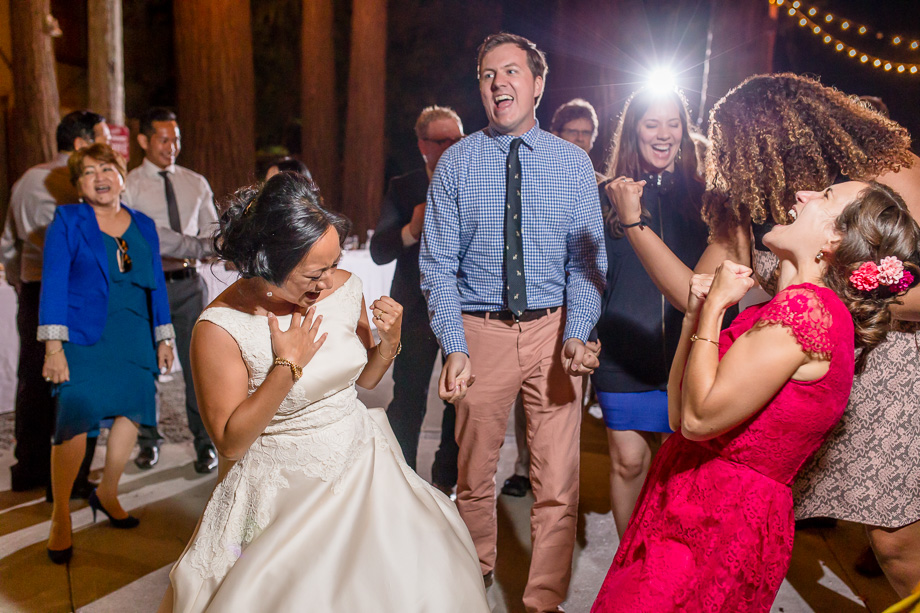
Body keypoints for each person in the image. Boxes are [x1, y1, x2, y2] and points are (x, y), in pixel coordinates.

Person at [159, 172, 489, 612]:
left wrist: (388, 345)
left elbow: (363, 380)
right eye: (315, 272)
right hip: (282, 487)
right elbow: (231, 441)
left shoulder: (343, 287)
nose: (329, 280)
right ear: (270, 261)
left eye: (333, 264)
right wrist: (285, 367)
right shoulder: (220, 327)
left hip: (363, 461)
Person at [592, 180, 920, 612]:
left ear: (834, 239)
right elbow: (678, 412)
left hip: (720, 517)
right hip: (687, 496)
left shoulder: (808, 312)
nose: (802, 195)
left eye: (824, 197)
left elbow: (697, 419)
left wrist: (713, 311)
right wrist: (696, 312)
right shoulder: (780, 311)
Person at [702, 73, 920, 598]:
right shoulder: (795, 199)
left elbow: (917, 286)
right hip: (822, 366)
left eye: (749, 150)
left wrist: (833, 286)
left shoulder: (887, 168)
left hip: (895, 371)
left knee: (894, 543)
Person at [420, 32, 606, 613]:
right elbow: (436, 267)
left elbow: (588, 262)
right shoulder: (456, 162)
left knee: (557, 483)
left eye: (511, 71)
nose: (498, 81)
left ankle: (543, 601)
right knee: (474, 475)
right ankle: (472, 581)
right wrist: (454, 345)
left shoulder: (573, 163)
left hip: (556, 332)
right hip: (480, 333)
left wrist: (578, 331)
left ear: (537, 83)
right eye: (486, 74)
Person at [39, 143, 175, 564]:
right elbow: (53, 284)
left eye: (108, 168)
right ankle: (61, 515)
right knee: (74, 420)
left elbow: (157, 283)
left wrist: (163, 336)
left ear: (122, 174)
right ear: (79, 184)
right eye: (89, 171)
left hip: (133, 331)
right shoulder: (67, 220)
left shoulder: (144, 224)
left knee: (132, 412)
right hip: (81, 337)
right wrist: (53, 348)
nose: (101, 177)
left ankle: (108, 492)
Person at [591, 87, 712, 538]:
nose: (663, 135)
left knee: (679, 474)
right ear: (633, 132)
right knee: (628, 462)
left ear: (685, 131)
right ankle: (631, 568)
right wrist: (584, 332)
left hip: (690, 359)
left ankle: (667, 569)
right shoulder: (602, 196)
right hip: (622, 356)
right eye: (651, 124)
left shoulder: (704, 197)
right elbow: (586, 273)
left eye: (673, 123)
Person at [0, 110, 111, 497]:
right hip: (75, 295)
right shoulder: (90, 182)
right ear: (82, 144)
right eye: (102, 139)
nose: (108, 149)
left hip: (32, 291)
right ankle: (72, 476)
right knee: (79, 380)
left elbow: (9, 244)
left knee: (33, 378)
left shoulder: (25, 180)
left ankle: (29, 467)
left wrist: (20, 283)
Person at [503, 96, 606, 499]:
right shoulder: (538, 175)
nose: (579, 139)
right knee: (528, 391)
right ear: (556, 133)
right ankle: (524, 468)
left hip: (588, 296)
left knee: (568, 396)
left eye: (586, 133)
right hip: (540, 300)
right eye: (572, 132)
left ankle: (557, 474)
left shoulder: (604, 185)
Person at [369, 105, 463, 494]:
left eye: (459, 139)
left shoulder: (475, 180)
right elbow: (379, 250)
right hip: (414, 311)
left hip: (464, 309)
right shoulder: (403, 187)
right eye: (443, 141)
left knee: (459, 400)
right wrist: (412, 227)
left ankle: (447, 479)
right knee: (407, 397)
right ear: (423, 145)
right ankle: (401, 481)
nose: (454, 147)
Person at [124, 107, 219, 473]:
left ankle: (205, 443)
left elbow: (212, 233)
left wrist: (207, 244)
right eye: (164, 139)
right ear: (144, 140)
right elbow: (141, 239)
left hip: (190, 285)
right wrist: (194, 245)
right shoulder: (130, 185)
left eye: (176, 138)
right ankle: (149, 441)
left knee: (199, 366)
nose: (172, 146)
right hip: (146, 286)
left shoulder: (196, 182)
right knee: (145, 366)